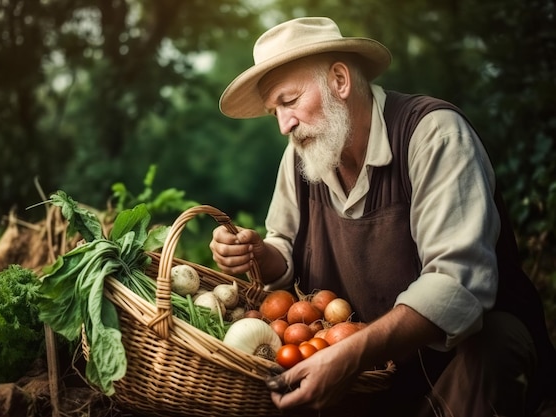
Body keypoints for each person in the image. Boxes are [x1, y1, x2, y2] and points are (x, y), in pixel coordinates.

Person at [209, 17, 556, 416]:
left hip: (460, 362)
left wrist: (351, 355)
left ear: (339, 80)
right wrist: (257, 253)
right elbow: (284, 249)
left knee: (496, 342)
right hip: (373, 373)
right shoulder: (301, 157)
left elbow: (457, 286)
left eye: (289, 101)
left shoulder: (433, 135)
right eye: (275, 112)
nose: (285, 125)